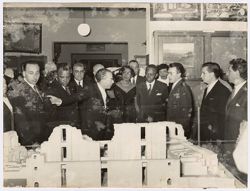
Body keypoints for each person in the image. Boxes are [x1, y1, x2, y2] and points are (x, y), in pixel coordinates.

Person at [8, 61, 61, 146]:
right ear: (24, 73)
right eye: (31, 73)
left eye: (37, 73)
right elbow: (20, 121)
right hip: (31, 141)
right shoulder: (18, 92)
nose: (35, 76)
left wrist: (52, 102)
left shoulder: (35, 87)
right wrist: (31, 142)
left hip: (42, 136)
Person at [223, 58, 247, 185]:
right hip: (230, 143)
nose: (227, 73)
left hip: (240, 145)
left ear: (237, 72)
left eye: (229, 70)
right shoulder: (235, 89)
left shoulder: (246, 92)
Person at [81, 68, 119, 141]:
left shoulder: (106, 91)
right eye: (111, 79)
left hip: (103, 130)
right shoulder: (90, 89)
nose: (113, 81)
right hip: (92, 132)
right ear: (103, 79)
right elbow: (75, 98)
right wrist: (60, 101)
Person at [200, 62, 231, 143]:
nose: (201, 76)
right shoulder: (208, 88)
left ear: (212, 74)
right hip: (206, 132)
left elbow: (222, 116)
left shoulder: (223, 90)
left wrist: (219, 137)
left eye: (204, 73)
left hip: (215, 135)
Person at [46, 63, 81, 129]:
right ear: (56, 76)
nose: (65, 79)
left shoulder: (71, 86)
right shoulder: (51, 90)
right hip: (62, 128)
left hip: (74, 126)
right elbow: (52, 116)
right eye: (62, 77)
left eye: (68, 77)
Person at [166, 62, 194, 138]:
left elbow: (186, 113)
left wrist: (181, 131)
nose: (168, 76)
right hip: (173, 127)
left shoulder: (183, 88)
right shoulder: (175, 86)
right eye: (168, 73)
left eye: (171, 73)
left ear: (179, 74)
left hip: (178, 129)